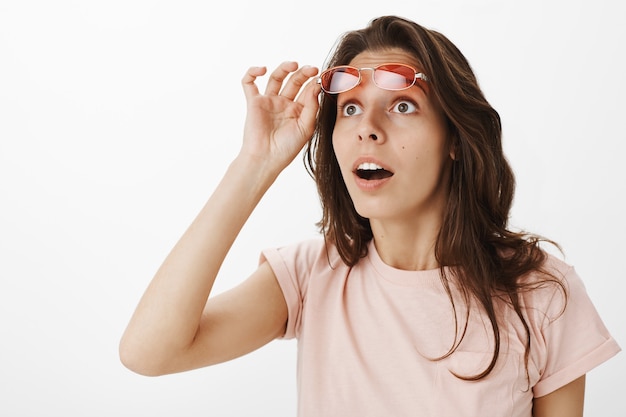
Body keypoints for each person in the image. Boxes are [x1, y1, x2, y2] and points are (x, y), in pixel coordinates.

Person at [119, 15, 620, 416]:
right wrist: (254, 164)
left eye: (402, 106)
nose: (368, 129)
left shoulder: (541, 290)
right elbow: (149, 352)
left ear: (454, 139)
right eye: (350, 109)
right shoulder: (308, 276)